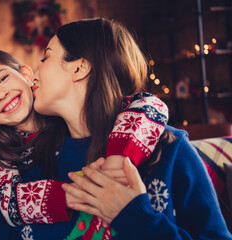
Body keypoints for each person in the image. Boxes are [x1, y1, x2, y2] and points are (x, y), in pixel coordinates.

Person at [30, 18, 232, 239]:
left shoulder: (169, 149)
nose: (34, 73)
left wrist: (135, 216)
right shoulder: (36, 156)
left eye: (45, 56)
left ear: (79, 68)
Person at [0, 49, 168, 239]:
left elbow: (147, 104)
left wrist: (117, 161)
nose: (1, 93)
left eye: (3, 78)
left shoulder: (72, 119)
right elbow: (10, 205)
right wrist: (78, 192)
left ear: (25, 73)